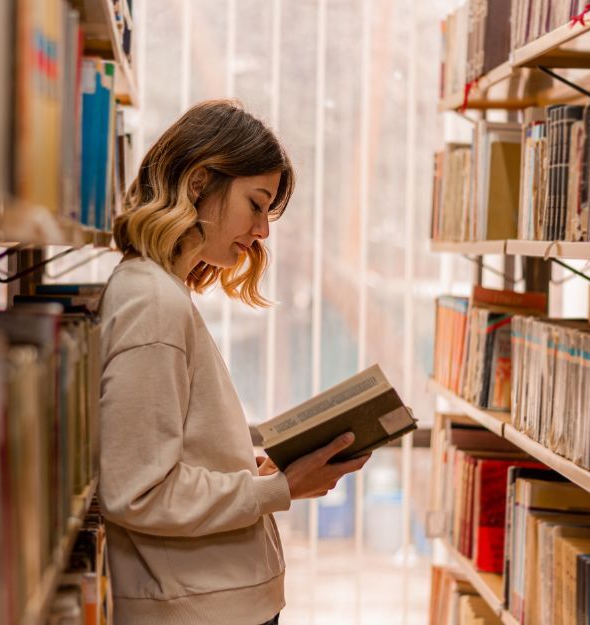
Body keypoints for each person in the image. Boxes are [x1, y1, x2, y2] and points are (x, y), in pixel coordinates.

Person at [98, 99, 371, 625]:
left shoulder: (163, 294)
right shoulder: (152, 302)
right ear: (199, 183)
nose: (263, 231)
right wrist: (277, 488)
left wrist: (258, 462)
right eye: (257, 203)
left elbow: (167, 448)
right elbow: (139, 492)